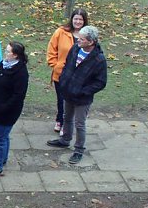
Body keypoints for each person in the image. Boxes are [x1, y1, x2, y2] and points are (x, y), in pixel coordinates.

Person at [46, 26, 107, 165]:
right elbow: (68, 64)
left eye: (82, 39)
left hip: (82, 98)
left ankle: (79, 150)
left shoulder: (99, 60)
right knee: (67, 118)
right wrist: (64, 81)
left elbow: (101, 82)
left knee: (79, 124)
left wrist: (83, 91)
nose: (78, 40)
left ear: (91, 42)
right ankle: (65, 140)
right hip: (68, 92)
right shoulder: (75, 48)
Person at [0, 42, 29, 178]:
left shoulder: (20, 73)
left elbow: (18, 96)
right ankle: (1, 160)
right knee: (3, 137)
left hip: (5, 113)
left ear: (15, 55)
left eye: (8, 51)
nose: (5, 52)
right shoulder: (4, 64)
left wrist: (1, 108)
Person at [46, 8, 88, 133]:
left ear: (84, 21)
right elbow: (51, 49)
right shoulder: (61, 32)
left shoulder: (87, 35)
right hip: (61, 73)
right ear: (72, 19)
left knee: (72, 101)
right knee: (61, 99)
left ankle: (68, 123)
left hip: (79, 76)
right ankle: (60, 120)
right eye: (76, 18)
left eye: (80, 19)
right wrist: (55, 65)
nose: (78, 21)